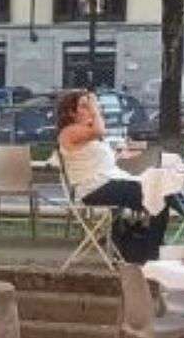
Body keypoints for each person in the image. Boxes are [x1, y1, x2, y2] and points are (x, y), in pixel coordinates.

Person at [55, 90, 167, 261]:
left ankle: (148, 247)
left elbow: (93, 159)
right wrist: (95, 108)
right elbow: (100, 130)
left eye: (90, 105)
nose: (90, 110)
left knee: (160, 190)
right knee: (158, 193)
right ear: (71, 112)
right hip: (93, 188)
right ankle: (152, 250)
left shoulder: (85, 133)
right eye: (84, 106)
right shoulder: (69, 131)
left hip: (107, 181)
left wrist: (119, 155)